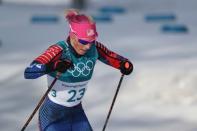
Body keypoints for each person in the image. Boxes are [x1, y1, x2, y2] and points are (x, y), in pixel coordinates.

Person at [24, 9, 133, 131]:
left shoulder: (95, 48)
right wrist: (53, 66)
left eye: (91, 41)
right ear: (72, 35)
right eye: (84, 41)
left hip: (76, 113)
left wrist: (125, 64)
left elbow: (113, 57)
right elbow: (29, 71)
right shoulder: (58, 50)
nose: (88, 46)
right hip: (52, 114)